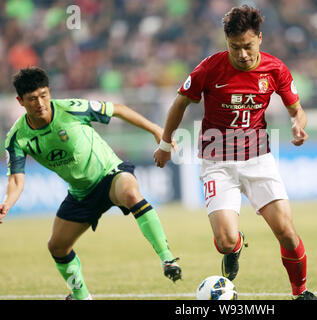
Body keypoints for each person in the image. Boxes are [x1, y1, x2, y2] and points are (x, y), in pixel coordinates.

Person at [154, 5, 317, 300]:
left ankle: (301, 292)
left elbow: (297, 110)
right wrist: (166, 144)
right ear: (226, 42)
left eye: (248, 46)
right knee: (226, 240)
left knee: (287, 232)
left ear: (260, 38)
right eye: (234, 47)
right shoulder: (209, 67)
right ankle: (237, 245)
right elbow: (179, 104)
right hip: (216, 160)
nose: (242, 54)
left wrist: (298, 126)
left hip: (258, 158)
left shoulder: (275, 69)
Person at [0, 67, 182, 300]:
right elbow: (16, 178)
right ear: (20, 101)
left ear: (49, 91)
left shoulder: (72, 109)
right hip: (81, 193)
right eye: (32, 99)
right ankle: (81, 296)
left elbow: (118, 110)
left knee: (130, 194)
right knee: (57, 247)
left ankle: (167, 258)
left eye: (44, 94)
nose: (40, 103)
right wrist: (7, 202)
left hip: (110, 174)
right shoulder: (17, 137)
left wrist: (156, 129)